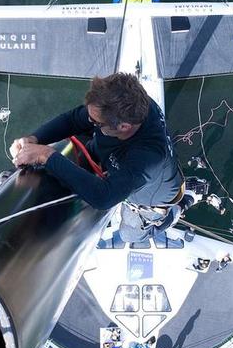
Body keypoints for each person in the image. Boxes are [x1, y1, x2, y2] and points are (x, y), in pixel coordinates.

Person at [10, 73, 185, 244]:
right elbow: (73, 120)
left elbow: (103, 198)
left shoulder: (149, 157)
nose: (90, 122)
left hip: (150, 197)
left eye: (96, 123)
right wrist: (35, 139)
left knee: (129, 236)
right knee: (87, 150)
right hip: (113, 156)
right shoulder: (133, 106)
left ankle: (176, 211)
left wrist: (45, 155)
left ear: (124, 126)